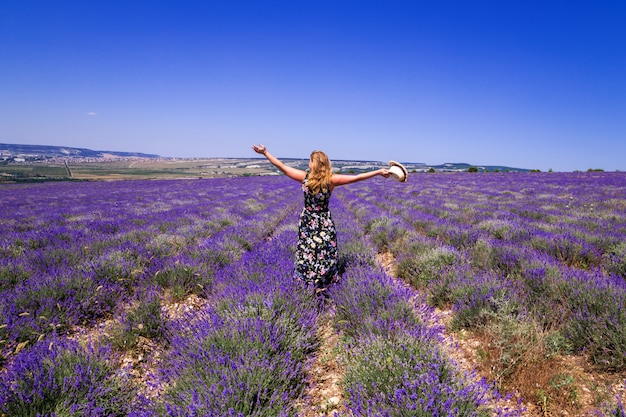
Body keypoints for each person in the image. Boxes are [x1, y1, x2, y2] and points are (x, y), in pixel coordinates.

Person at [251, 144, 390, 291]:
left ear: (314, 164)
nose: (308, 164)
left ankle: (306, 282)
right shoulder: (331, 180)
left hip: (308, 220)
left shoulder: (305, 178)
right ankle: (325, 282)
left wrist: (266, 152)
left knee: (306, 250)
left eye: (310, 161)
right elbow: (357, 177)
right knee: (327, 250)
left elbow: (282, 166)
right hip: (324, 220)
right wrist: (378, 172)